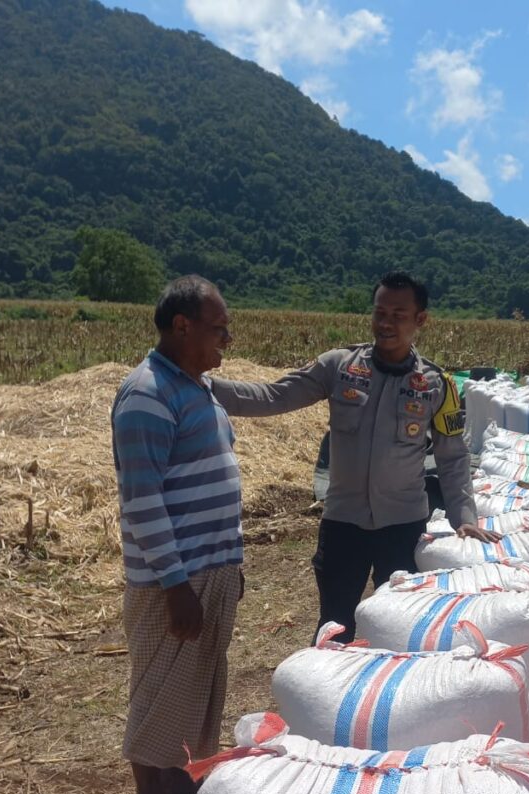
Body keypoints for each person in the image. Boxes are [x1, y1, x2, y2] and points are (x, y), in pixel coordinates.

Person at [210, 270, 497, 641]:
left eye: (398, 314)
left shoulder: (436, 385)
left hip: (403, 528)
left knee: (400, 628)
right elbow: (273, 396)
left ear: (420, 320)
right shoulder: (340, 367)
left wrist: (464, 517)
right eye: (380, 312)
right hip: (343, 525)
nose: (386, 323)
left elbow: (453, 457)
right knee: (335, 625)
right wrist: (203, 385)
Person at [111, 275, 243, 794]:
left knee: (195, 682)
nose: (227, 339)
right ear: (181, 326)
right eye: (218, 328)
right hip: (178, 575)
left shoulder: (196, 386)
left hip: (208, 567)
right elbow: (141, 500)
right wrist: (175, 583)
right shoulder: (146, 395)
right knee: (161, 687)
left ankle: (174, 782)